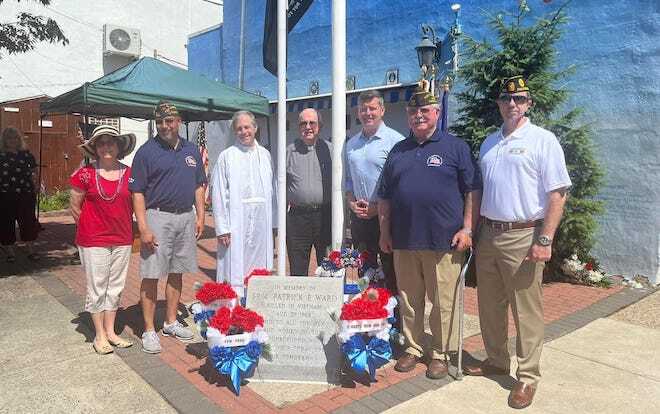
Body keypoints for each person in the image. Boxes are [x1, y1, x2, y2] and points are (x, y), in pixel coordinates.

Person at [464, 76, 571, 409]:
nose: (512, 104)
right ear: (499, 104)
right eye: (506, 99)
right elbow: (480, 192)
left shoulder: (543, 140)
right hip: (489, 234)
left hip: (524, 235)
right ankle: (496, 359)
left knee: (526, 311)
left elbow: (558, 193)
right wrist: (472, 228)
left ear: (528, 104)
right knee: (490, 305)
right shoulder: (489, 142)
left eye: (519, 99)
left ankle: (527, 377)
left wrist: (545, 238)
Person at [378, 87, 481, 379]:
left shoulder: (455, 147)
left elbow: (471, 190)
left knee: (443, 301)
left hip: (445, 241)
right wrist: (384, 231)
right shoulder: (398, 150)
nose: (419, 116)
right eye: (413, 112)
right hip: (405, 239)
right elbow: (384, 195)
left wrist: (468, 228)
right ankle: (413, 348)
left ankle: (440, 352)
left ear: (436, 113)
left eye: (425, 111)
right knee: (409, 300)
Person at [129, 101, 207, 354]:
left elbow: (198, 185)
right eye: (160, 121)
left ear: (179, 122)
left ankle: (171, 321)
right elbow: (137, 192)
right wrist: (143, 227)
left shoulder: (192, 150)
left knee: (177, 272)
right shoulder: (146, 152)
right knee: (151, 274)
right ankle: (149, 330)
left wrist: (201, 216)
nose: (164, 126)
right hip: (157, 218)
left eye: (169, 121)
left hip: (185, 217)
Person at [69, 125, 136, 354]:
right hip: (93, 239)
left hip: (122, 238)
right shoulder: (85, 174)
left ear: (119, 147)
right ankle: (99, 336)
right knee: (97, 287)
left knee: (115, 287)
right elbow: (74, 207)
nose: (107, 146)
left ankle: (111, 332)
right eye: (101, 142)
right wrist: (91, 228)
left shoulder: (129, 173)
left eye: (111, 142)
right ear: (95, 148)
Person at [211, 110, 276, 295]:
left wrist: (274, 224)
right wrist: (222, 228)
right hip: (235, 223)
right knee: (234, 267)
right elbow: (219, 193)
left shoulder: (265, 155)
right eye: (239, 128)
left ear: (255, 128)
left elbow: (272, 189)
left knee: (260, 265)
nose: (244, 131)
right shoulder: (227, 156)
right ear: (234, 132)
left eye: (247, 127)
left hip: (261, 224)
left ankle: (257, 304)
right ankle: (234, 309)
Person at [344, 90, 404, 292]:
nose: (367, 113)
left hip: (387, 220)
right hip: (361, 220)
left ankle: (395, 321)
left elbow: (401, 185)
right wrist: (352, 203)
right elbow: (349, 182)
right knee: (365, 274)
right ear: (358, 112)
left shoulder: (396, 141)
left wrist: (377, 208)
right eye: (363, 109)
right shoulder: (351, 145)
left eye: (372, 108)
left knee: (392, 274)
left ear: (382, 110)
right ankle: (368, 317)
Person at [285, 108, 332, 276]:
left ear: (319, 126)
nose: (308, 127)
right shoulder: (289, 151)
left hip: (325, 216)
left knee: (328, 267)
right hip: (297, 218)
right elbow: (280, 186)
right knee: (297, 266)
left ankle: (326, 301)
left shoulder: (330, 150)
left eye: (312, 123)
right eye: (303, 123)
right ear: (299, 127)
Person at [0, 127, 40, 262]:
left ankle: (30, 248)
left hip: (25, 193)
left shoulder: (26, 154)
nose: (12, 140)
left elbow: (34, 171)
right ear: (4, 140)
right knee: (6, 222)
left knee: (28, 221)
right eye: (9, 138)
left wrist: (35, 185)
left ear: (19, 139)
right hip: (5, 194)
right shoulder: (1, 155)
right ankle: (10, 251)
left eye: (15, 138)